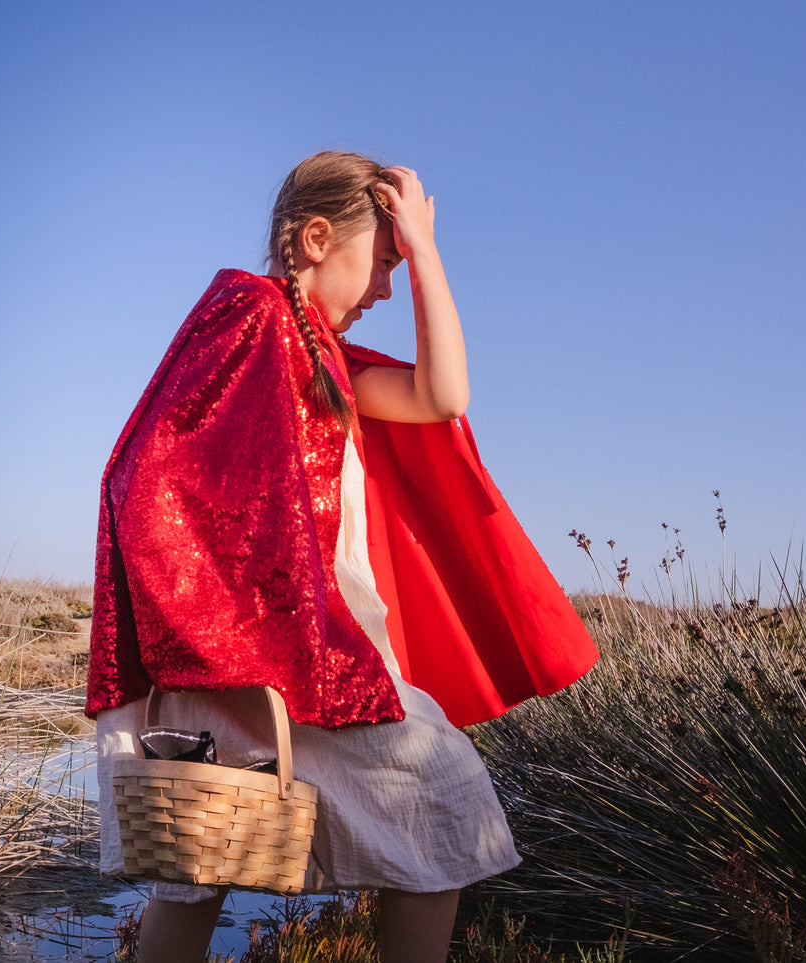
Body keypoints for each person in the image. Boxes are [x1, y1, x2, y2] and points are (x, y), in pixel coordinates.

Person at [87, 150, 598, 963]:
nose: (387, 290)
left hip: (281, 658)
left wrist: (426, 252)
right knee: (440, 800)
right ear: (317, 238)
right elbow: (146, 474)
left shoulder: (326, 359)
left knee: (199, 866)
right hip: (260, 658)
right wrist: (228, 630)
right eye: (384, 264)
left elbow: (441, 397)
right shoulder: (249, 316)